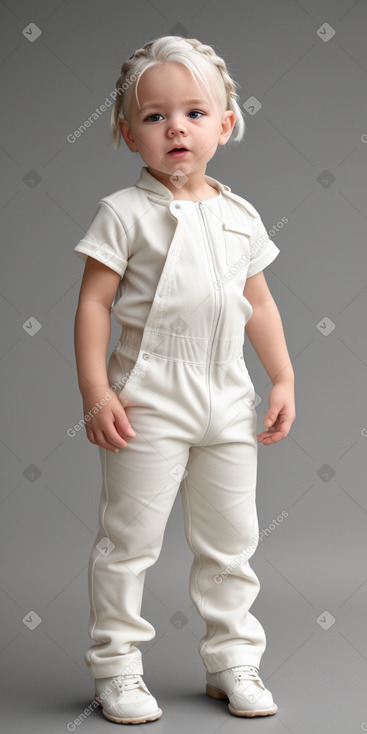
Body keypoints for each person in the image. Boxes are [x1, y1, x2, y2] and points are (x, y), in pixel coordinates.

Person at [73, 35, 295, 725]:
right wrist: (96, 391)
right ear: (126, 132)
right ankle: (117, 667)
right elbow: (94, 304)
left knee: (232, 541)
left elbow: (257, 302)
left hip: (226, 395)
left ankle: (231, 660)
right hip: (147, 399)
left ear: (225, 125)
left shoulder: (239, 215)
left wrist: (281, 376)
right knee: (128, 541)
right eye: (153, 116)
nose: (176, 128)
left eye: (195, 113)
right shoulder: (123, 213)